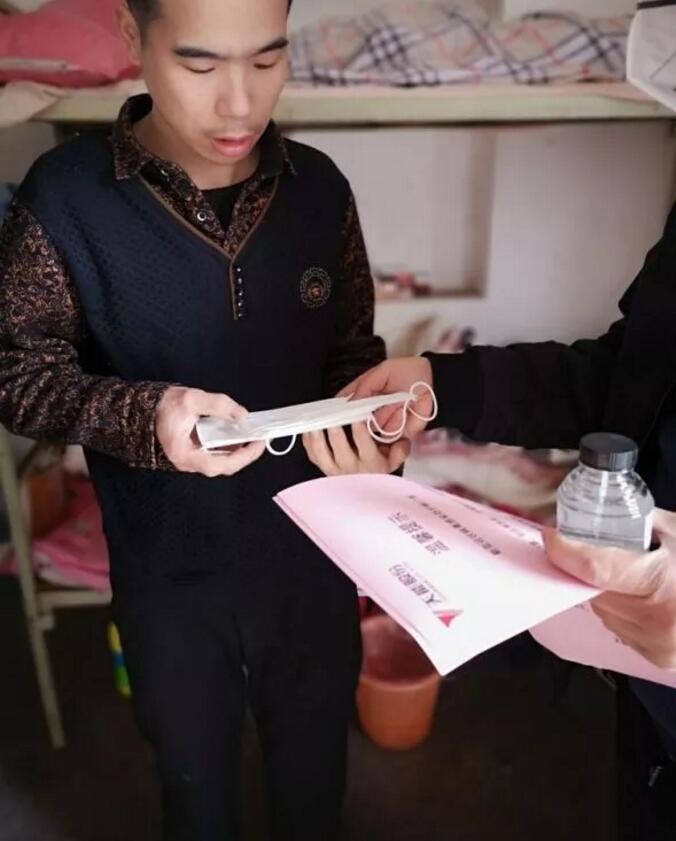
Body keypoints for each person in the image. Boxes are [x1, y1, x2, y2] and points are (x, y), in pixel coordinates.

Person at [0, 1, 407, 838]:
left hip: (315, 561)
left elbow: (351, 351)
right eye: (200, 64)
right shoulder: (67, 199)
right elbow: (16, 374)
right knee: (195, 792)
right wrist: (142, 414)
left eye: (266, 60)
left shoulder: (319, 189)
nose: (240, 104)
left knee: (314, 784)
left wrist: (376, 427)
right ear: (132, 38)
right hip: (168, 573)